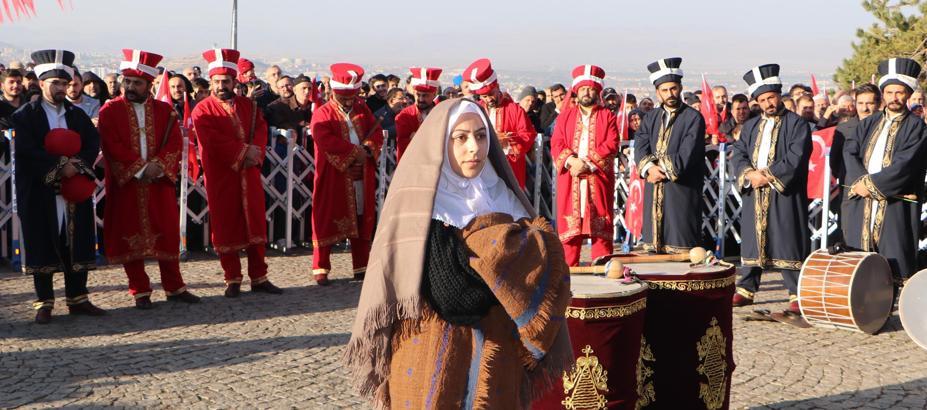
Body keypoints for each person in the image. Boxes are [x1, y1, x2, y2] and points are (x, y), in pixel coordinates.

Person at [345, 98, 571, 409]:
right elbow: (454, 297)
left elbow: (547, 267)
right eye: (460, 138)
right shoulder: (421, 204)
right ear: (440, 142)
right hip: (432, 353)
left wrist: (487, 260)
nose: (474, 148)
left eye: (481, 136)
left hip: (497, 361)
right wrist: (504, 268)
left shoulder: (501, 195)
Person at [98, 49, 200, 308]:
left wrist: (158, 166)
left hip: (158, 183)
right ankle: (140, 290)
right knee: (129, 233)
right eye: (127, 82)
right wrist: (140, 169)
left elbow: (175, 143)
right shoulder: (111, 111)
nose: (130, 87)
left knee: (166, 233)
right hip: (127, 184)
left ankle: (175, 287)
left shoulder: (165, 111)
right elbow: (112, 144)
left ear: (149, 84)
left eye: (136, 83)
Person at [12, 49, 106, 324]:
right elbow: (27, 151)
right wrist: (57, 167)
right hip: (41, 190)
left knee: (75, 242)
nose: (61, 88)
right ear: (41, 83)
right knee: (42, 242)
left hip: (73, 189)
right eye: (55, 83)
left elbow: (92, 143)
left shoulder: (77, 116)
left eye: (64, 83)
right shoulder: (25, 116)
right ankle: (44, 302)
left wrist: (75, 165)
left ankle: (78, 298)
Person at [191, 48, 284, 297]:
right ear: (211, 82)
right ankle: (232, 278)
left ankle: (259, 276)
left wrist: (256, 152)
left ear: (234, 82)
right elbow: (211, 140)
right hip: (222, 174)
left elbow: (261, 130)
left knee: (254, 221)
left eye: (226, 82)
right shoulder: (202, 110)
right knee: (225, 223)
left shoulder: (249, 106)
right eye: (217, 82)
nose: (222, 86)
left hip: (249, 173)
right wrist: (242, 153)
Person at [730, 64, 812, 314]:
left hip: (783, 192)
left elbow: (796, 156)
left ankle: (795, 292)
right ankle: (746, 289)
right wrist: (749, 174)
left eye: (771, 98)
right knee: (753, 241)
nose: (768, 103)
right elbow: (739, 153)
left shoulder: (797, 124)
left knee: (787, 240)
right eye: (762, 100)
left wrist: (767, 176)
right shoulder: (751, 126)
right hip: (754, 191)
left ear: (779, 95)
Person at [843, 58, 927, 285]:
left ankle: (884, 307)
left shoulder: (916, 127)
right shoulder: (867, 123)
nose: (894, 98)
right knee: (859, 257)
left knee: (892, 260)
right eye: (889, 92)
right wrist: (860, 183)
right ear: (883, 94)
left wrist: (871, 186)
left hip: (895, 202)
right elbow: (850, 152)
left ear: (908, 94)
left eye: (900, 92)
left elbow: (905, 164)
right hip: (862, 201)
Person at [309, 63, 383, 285]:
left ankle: (361, 266)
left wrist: (368, 150)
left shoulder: (362, 110)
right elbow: (324, 140)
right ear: (334, 92)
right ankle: (320, 266)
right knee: (325, 217)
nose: (349, 101)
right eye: (345, 97)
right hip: (334, 175)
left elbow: (376, 132)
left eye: (352, 96)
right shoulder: (323, 113)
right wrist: (353, 153)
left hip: (362, 174)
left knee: (362, 217)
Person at [634, 57, 706, 253]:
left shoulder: (693, 118)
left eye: (673, 88)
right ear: (657, 92)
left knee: (681, 245)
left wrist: (661, 170)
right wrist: (649, 168)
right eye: (665, 90)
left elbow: (688, 152)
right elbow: (640, 144)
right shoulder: (650, 117)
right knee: (654, 248)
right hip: (653, 185)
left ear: (680, 88)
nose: (670, 94)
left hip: (681, 188)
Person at [551, 64, 620, 266]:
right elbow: (557, 143)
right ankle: (567, 274)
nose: (587, 93)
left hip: (596, 178)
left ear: (597, 91)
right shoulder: (565, 116)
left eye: (590, 89)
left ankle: (602, 270)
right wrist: (572, 161)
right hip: (570, 177)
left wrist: (587, 163)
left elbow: (612, 143)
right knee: (572, 232)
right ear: (576, 91)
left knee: (600, 227)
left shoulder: (607, 116)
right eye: (583, 89)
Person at [465, 58, 536, 189]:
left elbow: (528, 135)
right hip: (482, 168)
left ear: (497, 87)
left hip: (508, 168)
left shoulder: (515, 110)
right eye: (484, 97)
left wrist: (507, 142)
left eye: (490, 94)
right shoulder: (476, 110)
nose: (488, 99)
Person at [395, 66, 441, 162]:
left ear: (434, 94)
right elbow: (402, 144)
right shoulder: (404, 115)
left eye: (425, 96)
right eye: (418, 95)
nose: (420, 99)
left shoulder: (442, 112)